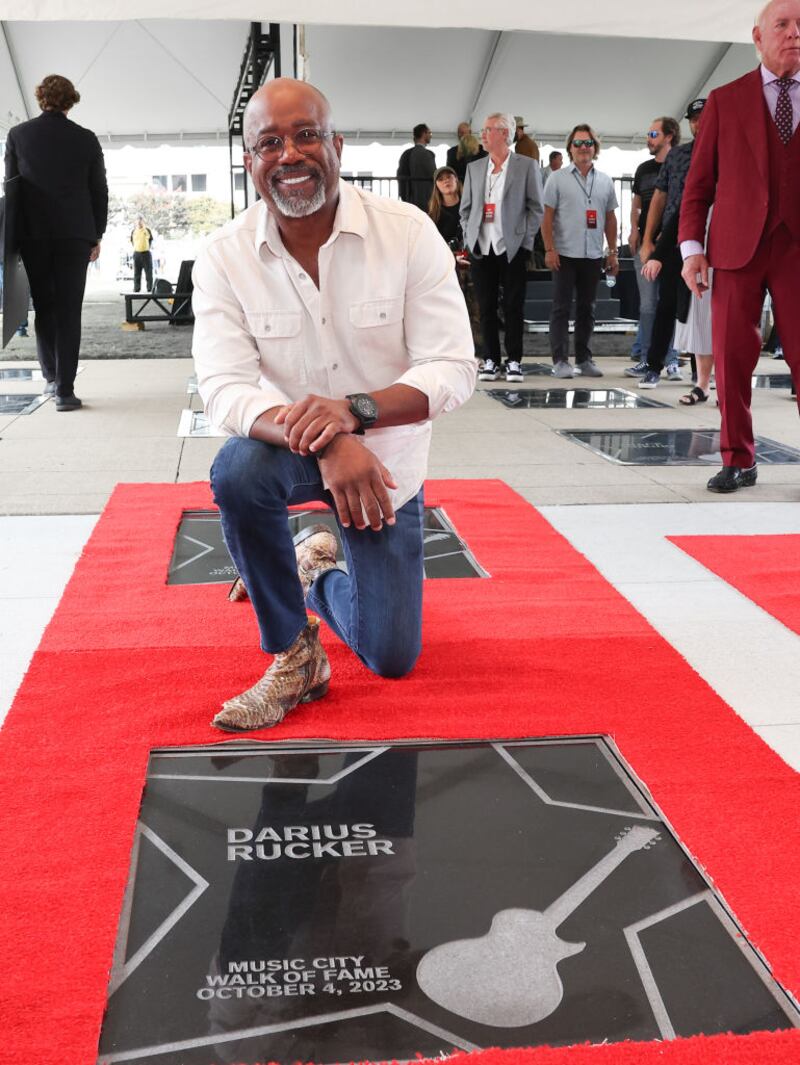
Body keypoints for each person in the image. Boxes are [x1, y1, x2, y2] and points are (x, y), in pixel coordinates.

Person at [191, 79, 475, 731]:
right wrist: (330, 436)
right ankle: (295, 652)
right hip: (289, 452)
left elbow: (454, 368)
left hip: (387, 465)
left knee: (392, 655)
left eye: (306, 134)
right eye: (269, 142)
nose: (288, 153)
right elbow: (225, 388)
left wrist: (357, 413)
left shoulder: (407, 232)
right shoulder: (224, 256)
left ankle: (314, 568)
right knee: (236, 472)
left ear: (336, 145)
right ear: (250, 163)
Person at [680, 0, 800, 493]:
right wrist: (691, 248)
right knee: (730, 359)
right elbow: (698, 184)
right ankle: (737, 458)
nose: (795, 33)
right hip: (734, 250)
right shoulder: (725, 100)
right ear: (757, 36)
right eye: (784, 24)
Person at [3, 74, 107, 410]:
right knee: (69, 310)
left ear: (40, 98)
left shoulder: (18, 136)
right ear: (70, 100)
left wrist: (12, 237)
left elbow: (11, 187)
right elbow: (98, 191)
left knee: (44, 307)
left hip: (33, 233)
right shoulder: (86, 139)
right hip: (75, 234)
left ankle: (49, 376)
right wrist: (97, 233)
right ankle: (65, 391)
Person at [460, 112, 544, 383]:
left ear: (504, 134)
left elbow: (536, 208)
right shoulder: (474, 167)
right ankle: (491, 359)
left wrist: (525, 239)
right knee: (484, 306)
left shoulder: (527, 166)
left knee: (513, 306)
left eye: (488, 130)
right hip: (481, 246)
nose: (482, 135)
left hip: (512, 246)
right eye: (483, 130)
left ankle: (515, 361)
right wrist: (469, 233)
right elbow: (466, 209)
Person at [541, 123, 618, 379]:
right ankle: (560, 361)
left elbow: (610, 219)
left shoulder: (605, 181)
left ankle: (584, 359)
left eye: (588, 143)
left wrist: (613, 251)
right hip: (564, 253)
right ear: (570, 149)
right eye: (578, 143)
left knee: (588, 308)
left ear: (595, 148)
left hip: (593, 254)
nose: (583, 148)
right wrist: (549, 249)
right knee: (561, 308)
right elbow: (547, 217)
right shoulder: (557, 178)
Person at [637, 99, 705, 390]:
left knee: (700, 306)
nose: (699, 123)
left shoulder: (726, 151)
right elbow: (659, 199)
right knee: (665, 303)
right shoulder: (677, 156)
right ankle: (654, 366)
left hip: (709, 239)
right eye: (694, 119)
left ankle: (699, 373)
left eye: (704, 117)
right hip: (674, 237)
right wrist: (649, 239)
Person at [625, 117, 683, 380]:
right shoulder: (643, 169)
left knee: (669, 302)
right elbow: (637, 205)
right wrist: (635, 230)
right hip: (646, 245)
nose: (649, 138)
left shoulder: (680, 164)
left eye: (653, 133)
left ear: (669, 136)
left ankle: (670, 359)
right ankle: (647, 358)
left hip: (672, 245)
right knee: (648, 305)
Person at [396, 123, 436, 211]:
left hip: (409, 200)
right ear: (424, 133)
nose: (430, 135)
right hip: (427, 200)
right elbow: (434, 175)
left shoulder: (406, 154)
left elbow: (400, 175)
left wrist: (404, 196)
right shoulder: (429, 154)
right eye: (429, 133)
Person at [428, 166, 463, 246]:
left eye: (449, 177)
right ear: (436, 185)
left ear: (456, 179)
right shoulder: (433, 214)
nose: (446, 181)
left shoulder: (469, 206)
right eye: (440, 179)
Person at [130, 216, 154, 292]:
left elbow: (150, 240)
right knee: (137, 273)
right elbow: (132, 241)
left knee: (148, 272)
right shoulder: (133, 231)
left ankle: (150, 288)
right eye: (138, 222)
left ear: (143, 222)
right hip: (137, 254)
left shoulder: (147, 230)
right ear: (136, 223)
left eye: (141, 221)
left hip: (146, 253)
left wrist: (146, 247)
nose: (139, 223)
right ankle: (137, 288)